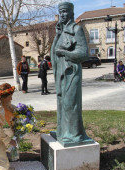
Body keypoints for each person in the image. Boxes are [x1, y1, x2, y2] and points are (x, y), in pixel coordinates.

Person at [50, 2, 92, 146]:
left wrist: (64, 53)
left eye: (65, 12)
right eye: (60, 12)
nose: (62, 14)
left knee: (71, 103)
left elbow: (83, 54)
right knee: (62, 102)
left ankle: (74, 135)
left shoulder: (76, 29)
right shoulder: (60, 32)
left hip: (71, 71)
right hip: (61, 71)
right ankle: (63, 131)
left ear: (71, 13)